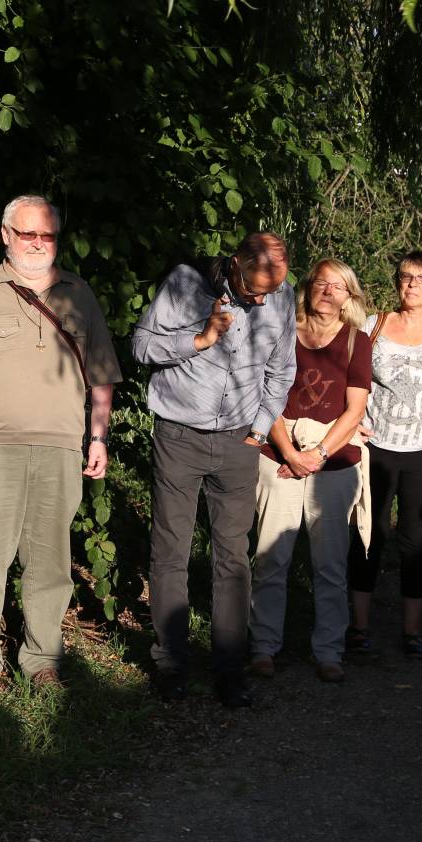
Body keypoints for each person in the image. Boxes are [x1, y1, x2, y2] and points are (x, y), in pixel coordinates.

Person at [0, 196, 122, 697]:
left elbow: (101, 379)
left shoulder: (80, 295)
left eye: (47, 235)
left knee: (51, 564)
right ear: (6, 235)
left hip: (60, 450)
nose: (38, 243)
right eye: (28, 233)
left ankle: (42, 661)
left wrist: (97, 437)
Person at [133, 232, 296, 707]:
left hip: (240, 442)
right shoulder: (186, 285)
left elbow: (282, 369)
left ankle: (229, 668)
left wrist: (262, 428)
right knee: (170, 552)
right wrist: (200, 339)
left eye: (272, 289)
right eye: (255, 289)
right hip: (179, 436)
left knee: (233, 558)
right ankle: (172, 665)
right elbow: (141, 347)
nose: (263, 298)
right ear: (236, 264)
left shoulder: (281, 295)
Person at [248, 259, 372, 684]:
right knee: (270, 557)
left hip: (333, 461)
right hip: (277, 454)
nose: (328, 291)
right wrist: (289, 452)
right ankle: (263, 646)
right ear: (308, 288)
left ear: (349, 297)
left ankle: (329, 650)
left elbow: (355, 410)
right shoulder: (283, 333)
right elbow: (268, 396)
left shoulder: (357, 341)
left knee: (330, 564)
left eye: (338, 286)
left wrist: (316, 454)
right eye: (321, 283)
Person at [347, 250, 422, 660]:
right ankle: (359, 627)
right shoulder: (373, 325)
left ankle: (412, 630)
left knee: (415, 537)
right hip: (374, 446)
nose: (412, 284)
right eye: (405, 276)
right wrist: (352, 425)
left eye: (421, 278)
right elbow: (354, 381)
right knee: (369, 533)